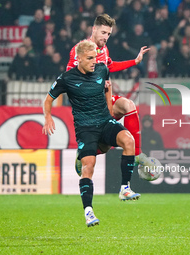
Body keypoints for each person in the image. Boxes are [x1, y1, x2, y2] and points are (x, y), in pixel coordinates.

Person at [42, 40, 140, 227]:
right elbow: (48, 99)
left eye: (95, 57)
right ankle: (89, 212)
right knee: (88, 166)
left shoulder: (102, 69)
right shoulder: (66, 78)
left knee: (129, 140)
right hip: (85, 128)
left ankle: (124, 188)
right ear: (78, 59)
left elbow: (107, 88)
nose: (94, 61)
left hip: (105, 122)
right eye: (89, 58)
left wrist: (110, 112)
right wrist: (48, 117)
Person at [67, 14, 152, 173]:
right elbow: (69, 79)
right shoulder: (80, 50)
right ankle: (83, 155)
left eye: (108, 34)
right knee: (105, 145)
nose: (106, 37)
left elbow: (110, 66)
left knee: (129, 105)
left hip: (104, 98)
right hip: (89, 105)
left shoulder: (103, 49)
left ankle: (136, 155)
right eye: (103, 33)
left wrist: (135, 61)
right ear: (94, 29)